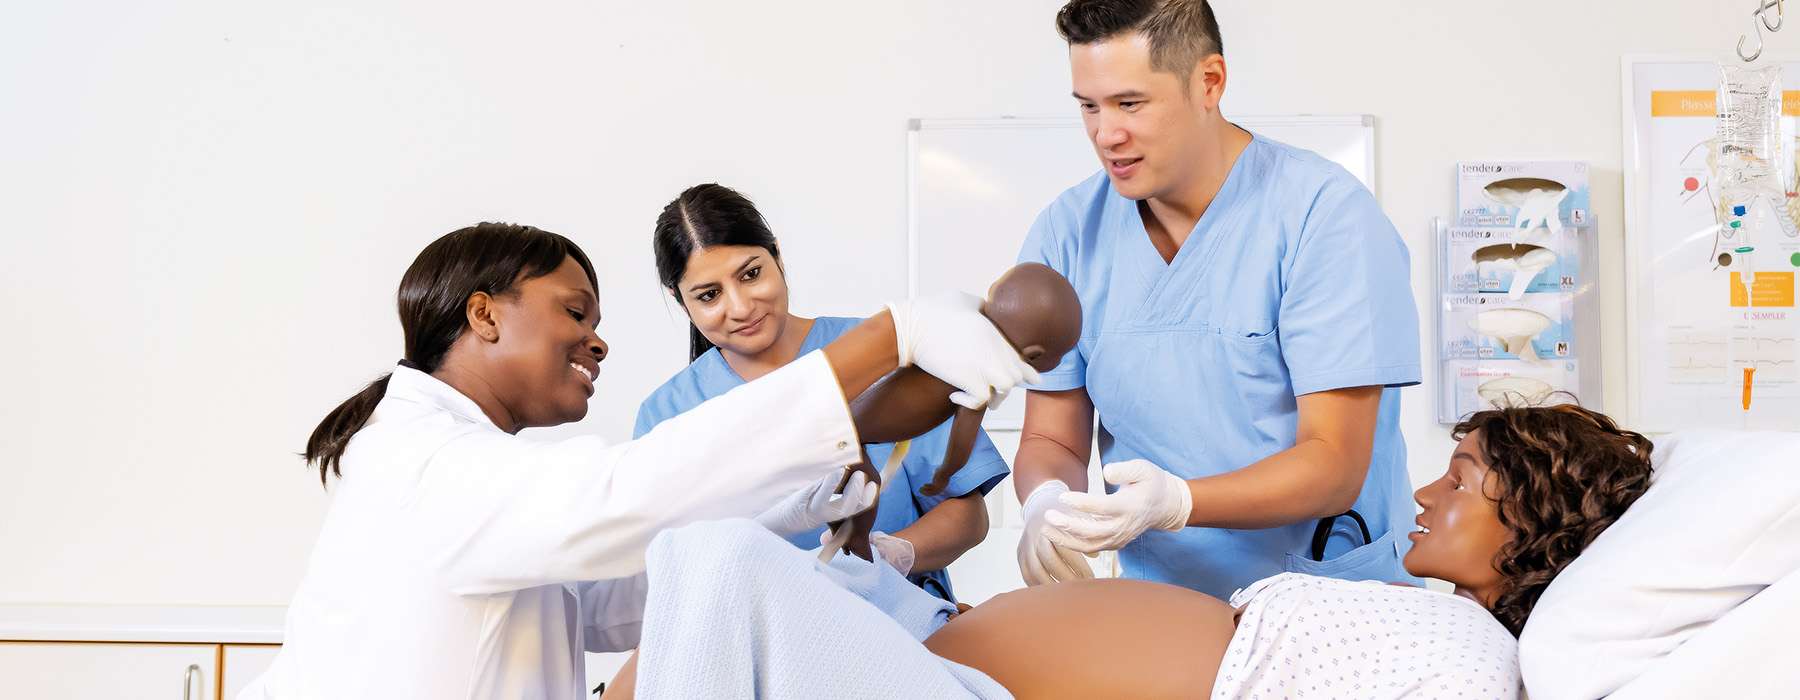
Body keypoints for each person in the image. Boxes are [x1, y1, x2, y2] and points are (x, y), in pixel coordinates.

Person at [238, 222, 1039, 698]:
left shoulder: (465, 469)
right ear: (483, 315)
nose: (598, 339)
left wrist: (777, 522)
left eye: (751, 274)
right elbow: (629, 494)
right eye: (575, 312)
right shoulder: (424, 463)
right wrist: (889, 335)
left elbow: (606, 602)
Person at [602, 404, 1655, 699]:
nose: (1424, 491)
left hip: (960, 686)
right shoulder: (1418, 611)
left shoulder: (1474, 665)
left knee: (717, 561)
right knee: (687, 627)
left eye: (1460, 479)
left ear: (1533, 525)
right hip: (937, 639)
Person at [1011, 0, 1425, 598]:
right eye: (1089, 107)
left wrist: (1179, 502)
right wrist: (1047, 502)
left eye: (1131, 103)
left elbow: (1333, 460)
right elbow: (1053, 438)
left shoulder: (1324, 216)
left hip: (1328, 598)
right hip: (1163, 601)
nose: (1107, 134)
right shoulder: (1067, 233)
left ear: (1209, 82)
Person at [635, 184, 1010, 600]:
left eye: (751, 274)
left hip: (906, 626)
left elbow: (967, 512)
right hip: (765, 649)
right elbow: (672, 573)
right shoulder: (667, 415)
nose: (740, 307)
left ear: (777, 255)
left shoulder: (883, 353)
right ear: (679, 300)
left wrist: (887, 558)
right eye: (709, 295)